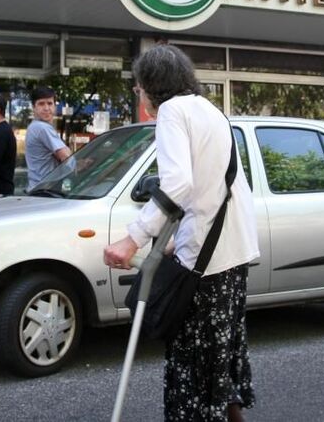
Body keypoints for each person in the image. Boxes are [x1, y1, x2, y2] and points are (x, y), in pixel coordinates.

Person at [103, 45, 259, 422]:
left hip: (207, 264)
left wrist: (133, 238)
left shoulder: (172, 112)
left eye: (139, 87)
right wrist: (177, 238)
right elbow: (213, 187)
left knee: (195, 362)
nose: (138, 94)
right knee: (219, 356)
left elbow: (177, 184)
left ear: (151, 86)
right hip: (233, 253)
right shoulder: (210, 110)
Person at [25, 85, 71, 192]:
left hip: (38, 189)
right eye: (41, 104)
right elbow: (67, 157)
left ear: (55, 106)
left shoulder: (34, 127)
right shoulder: (42, 128)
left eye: (50, 103)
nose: (46, 108)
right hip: (45, 191)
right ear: (33, 107)